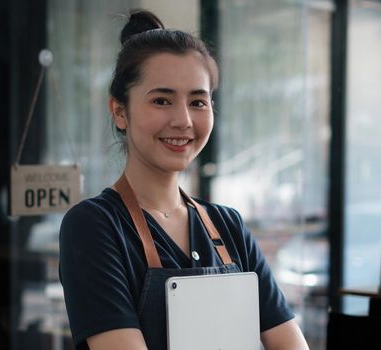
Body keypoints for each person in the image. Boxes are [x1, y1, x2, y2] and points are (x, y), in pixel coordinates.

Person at [59, 9, 310, 350]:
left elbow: (292, 344)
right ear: (119, 111)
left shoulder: (228, 225)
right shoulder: (95, 227)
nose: (183, 120)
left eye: (197, 101)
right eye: (162, 100)